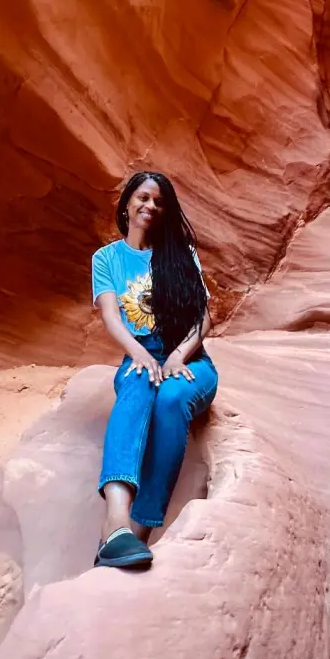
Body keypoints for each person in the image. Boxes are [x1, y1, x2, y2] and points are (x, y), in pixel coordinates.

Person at [91, 171, 218, 568]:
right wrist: (139, 355)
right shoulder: (107, 258)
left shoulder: (181, 254)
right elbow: (111, 316)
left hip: (189, 356)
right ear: (127, 202)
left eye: (159, 202)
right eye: (143, 197)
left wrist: (178, 356)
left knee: (171, 398)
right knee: (138, 383)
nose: (150, 206)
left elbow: (203, 317)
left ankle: (139, 533)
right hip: (140, 351)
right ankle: (114, 527)